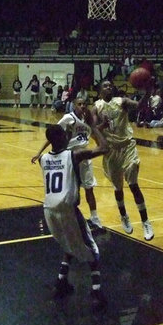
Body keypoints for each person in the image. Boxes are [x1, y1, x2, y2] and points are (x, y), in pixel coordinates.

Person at [38, 123, 108, 310]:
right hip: (67, 210)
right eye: (64, 134)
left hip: (49, 211)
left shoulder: (43, 159)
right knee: (92, 249)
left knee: (69, 244)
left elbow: (59, 148)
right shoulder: (74, 155)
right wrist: (95, 128)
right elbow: (104, 148)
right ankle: (96, 292)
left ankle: (61, 281)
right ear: (61, 138)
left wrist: (66, 134)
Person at [92, 80, 154, 240]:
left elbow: (139, 106)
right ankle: (124, 215)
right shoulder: (96, 107)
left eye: (110, 85)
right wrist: (103, 125)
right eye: (105, 86)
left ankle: (145, 221)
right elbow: (93, 130)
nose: (109, 87)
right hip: (111, 150)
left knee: (133, 185)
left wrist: (147, 92)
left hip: (127, 147)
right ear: (100, 91)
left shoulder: (122, 101)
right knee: (118, 188)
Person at [32, 96, 104, 229]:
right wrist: (39, 152)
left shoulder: (87, 120)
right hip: (71, 157)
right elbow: (53, 134)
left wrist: (100, 144)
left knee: (89, 188)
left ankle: (95, 217)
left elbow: (92, 134)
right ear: (74, 105)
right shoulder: (68, 118)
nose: (82, 106)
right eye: (79, 104)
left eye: (84, 104)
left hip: (84, 156)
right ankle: (69, 216)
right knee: (71, 189)